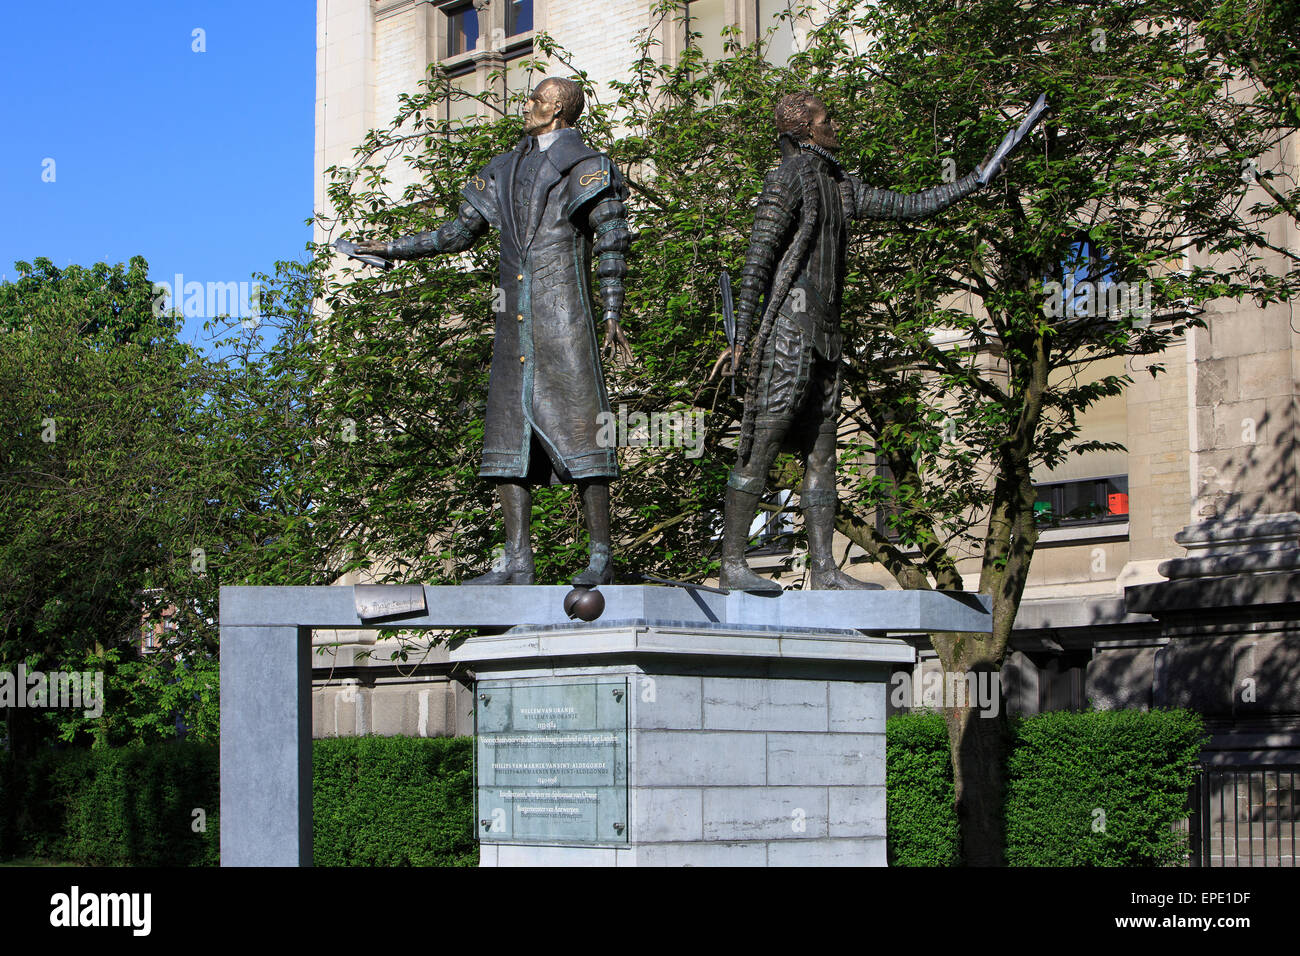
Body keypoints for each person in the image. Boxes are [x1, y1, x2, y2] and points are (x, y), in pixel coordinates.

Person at [712, 91, 1025, 591]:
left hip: (826, 335)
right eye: (825, 118)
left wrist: (974, 179)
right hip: (788, 332)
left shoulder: (838, 185)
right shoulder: (787, 178)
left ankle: (824, 570)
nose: (834, 124)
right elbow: (758, 258)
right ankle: (732, 564)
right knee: (760, 444)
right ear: (803, 130)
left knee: (822, 455)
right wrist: (742, 337)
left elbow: (912, 205)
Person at [354, 77, 632, 586]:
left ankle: (600, 554)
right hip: (515, 321)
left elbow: (611, 240)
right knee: (508, 437)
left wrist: (611, 312)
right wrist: (389, 248)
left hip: (563, 313)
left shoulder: (590, 165)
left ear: (557, 111)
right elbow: (455, 233)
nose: (526, 107)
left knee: (583, 429)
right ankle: (516, 559)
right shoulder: (503, 168)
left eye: (536, 101)